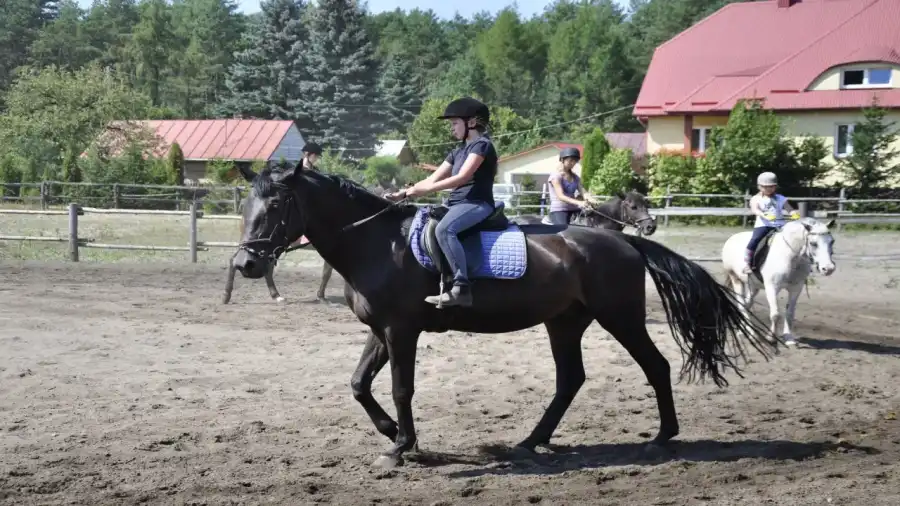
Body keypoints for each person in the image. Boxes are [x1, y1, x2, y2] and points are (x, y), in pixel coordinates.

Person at [385, 97, 498, 308]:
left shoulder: (482, 146)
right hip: (456, 204)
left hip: (477, 204)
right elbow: (431, 179)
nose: (452, 128)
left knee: (445, 230)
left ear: (471, 123)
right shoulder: (457, 151)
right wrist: (405, 193)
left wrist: (424, 190)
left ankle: (461, 288)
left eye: (455, 123)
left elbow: (462, 178)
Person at [744, 171, 800, 274]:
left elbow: (788, 208)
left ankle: (800, 263)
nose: (769, 189)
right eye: (766, 187)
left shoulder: (780, 198)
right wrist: (764, 215)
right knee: (755, 240)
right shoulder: (756, 199)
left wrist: (793, 213)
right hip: (764, 225)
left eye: (772, 186)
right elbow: (755, 209)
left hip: (780, 224)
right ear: (759, 187)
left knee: (797, 238)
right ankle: (747, 263)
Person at [547, 147, 591, 224]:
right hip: (559, 210)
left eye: (575, 161)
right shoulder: (556, 176)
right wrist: (579, 202)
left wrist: (591, 199)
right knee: (565, 231)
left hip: (574, 208)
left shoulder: (575, 177)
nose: (573, 163)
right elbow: (561, 196)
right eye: (570, 160)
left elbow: (583, 192)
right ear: (562, 160)